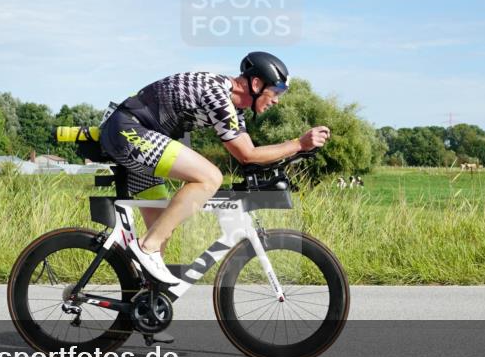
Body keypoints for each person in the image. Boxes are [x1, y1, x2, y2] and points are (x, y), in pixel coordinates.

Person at [99, 52, 330, 285]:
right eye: (276, 92)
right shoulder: (217, 93)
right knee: (209, 178)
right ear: (257, 83)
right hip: (129, 131)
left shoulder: (234, 110)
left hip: (136, 134)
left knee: (162, 229)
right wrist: (298, 144)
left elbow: (249, 153)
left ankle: (142, 302)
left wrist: (297, 151)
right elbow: (247, 155)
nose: (277, 100)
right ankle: (145, 248)